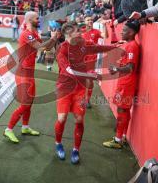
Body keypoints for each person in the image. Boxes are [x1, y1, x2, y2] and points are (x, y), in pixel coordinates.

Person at [55, 22, 117, 164]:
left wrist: (115, 46)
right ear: (69, 34)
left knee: (79, 120)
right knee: (62, 118)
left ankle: (76, 149)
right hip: (65, 88)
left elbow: (96, 47)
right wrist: (90, 76)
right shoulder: (62, 49)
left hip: (80, 89)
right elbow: (69, 70)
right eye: (78, 30)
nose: (81, 31)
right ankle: (58, 143)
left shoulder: (82, 43)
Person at [4, 11, 58, 143]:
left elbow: (46, 48)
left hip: (29, 73)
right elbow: (39, 47)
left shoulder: (33, 33)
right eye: (36, 18)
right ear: (29, 20)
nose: (38, 20)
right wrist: (52, 38)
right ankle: (8, 129)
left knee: (30, 102)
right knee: (25, 104)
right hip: (22, 74)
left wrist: (54, 38)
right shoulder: (26, 34)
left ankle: (25, 127)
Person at [103, 20, 140, 149]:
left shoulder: (132, 46)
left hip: (127, 83)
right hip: (126, 82)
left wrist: (117, 69)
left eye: (124, 30)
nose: (121, 32)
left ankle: (117, 140)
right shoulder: (130, 45)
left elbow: (130, 68)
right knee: (124, 109)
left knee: (121, 109)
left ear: (131, 32)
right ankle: (122, 136)